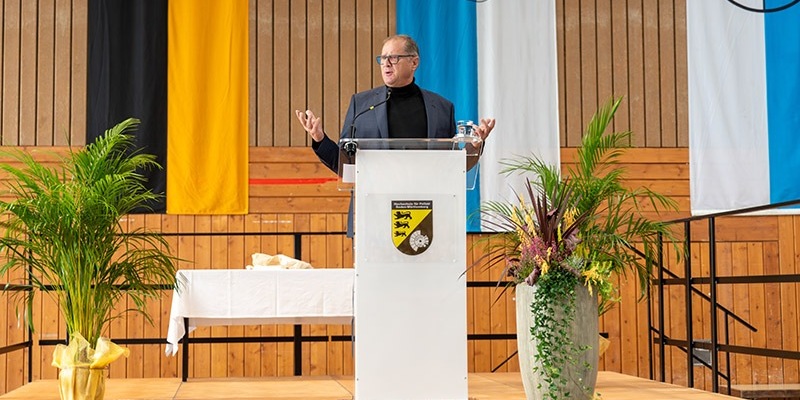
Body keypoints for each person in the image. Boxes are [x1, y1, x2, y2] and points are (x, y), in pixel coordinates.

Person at [295, 34, 496, 173]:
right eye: (382, 58)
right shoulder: (362, 105)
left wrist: (476, 144)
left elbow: (454, 165)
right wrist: (320, 138)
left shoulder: (442, 108)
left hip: (428, 206)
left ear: (414, 62)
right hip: (373, 207)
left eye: (393, 58)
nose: (386, 63)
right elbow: (343, 164)